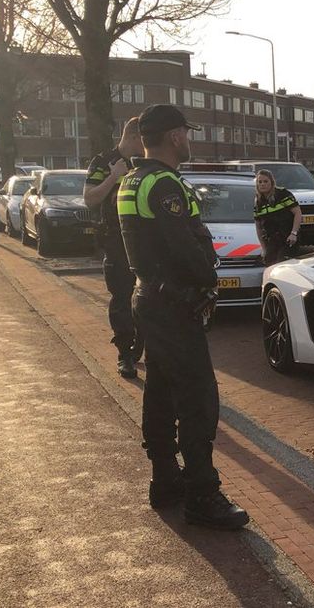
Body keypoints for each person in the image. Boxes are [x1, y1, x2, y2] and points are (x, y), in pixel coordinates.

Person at [117, 104, 249, 529]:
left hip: (149, 298)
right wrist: (206, 279)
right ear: (175, 136)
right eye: (186, 134)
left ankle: (165, 481)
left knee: (159, 390)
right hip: (174, 303)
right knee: (197, 399)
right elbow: (185, 247)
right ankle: (202, 495)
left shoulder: (132, 180)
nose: (188, 140)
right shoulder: (164, 184)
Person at [84, 117, 144, 378]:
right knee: (121, 297)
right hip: (116, 241)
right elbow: (89, 199)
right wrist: (113, 177)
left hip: (144, 242)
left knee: (147, 298)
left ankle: (140, 343)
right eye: (144, 140)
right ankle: (125, 353)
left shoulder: (145, 164)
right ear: (133, 138)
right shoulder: (103, 161)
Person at [253, 169, 302, 265]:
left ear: (272, 182)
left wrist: (294, 233)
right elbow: (258, 227)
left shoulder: (283, 194)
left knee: (284, 267)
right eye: (260, 182)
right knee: (270, 267)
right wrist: (263, 248)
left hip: (287, 238)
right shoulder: (258, 202)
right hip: (271, 241)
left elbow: (298, 213)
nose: (262, 184)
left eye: (266, 181)